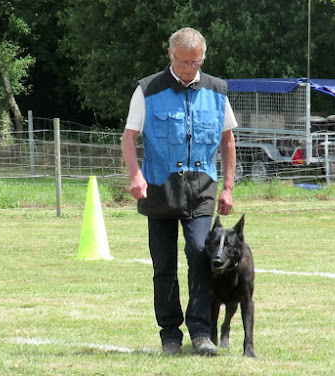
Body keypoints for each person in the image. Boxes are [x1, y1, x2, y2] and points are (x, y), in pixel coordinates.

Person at [121, 27, 237, 357]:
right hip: (158, 188)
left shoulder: (217, 90)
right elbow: (128, 137)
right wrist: (136, 176)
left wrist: (228, 187)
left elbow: (228, 141)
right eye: (185, 62)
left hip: (202, 188)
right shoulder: (147, 90)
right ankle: (170, 333)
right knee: (164, 264)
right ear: (171, 56)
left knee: (201, 252)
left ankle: (201, 332)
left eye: (197, 62)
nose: (191, 69)